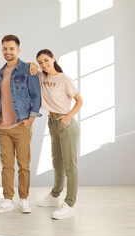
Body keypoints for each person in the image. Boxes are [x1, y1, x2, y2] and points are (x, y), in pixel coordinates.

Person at [0, 35, 42, 214]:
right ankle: (7, 200)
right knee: (6, 166)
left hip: (21, 124)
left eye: (11, 49)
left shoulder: (28, 69)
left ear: (18, 50)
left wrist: (31, 119)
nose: (8, 52)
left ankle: (23, 199)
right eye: (5, 48)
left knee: (23, 165)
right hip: (2, 127)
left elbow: (36, 96)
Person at [36, 49, 83, 220]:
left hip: (66, 123)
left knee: (70, 165)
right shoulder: (42, 76)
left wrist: (69, 116)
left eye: (46, 60)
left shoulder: (64, 79)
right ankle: (55, 195)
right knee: (57, 161)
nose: (44, 65)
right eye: (40, 62)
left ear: (53, 59)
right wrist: (33, 66)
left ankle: (69, 203)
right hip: (52, 122)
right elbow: (27, 67)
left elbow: (79, 100)